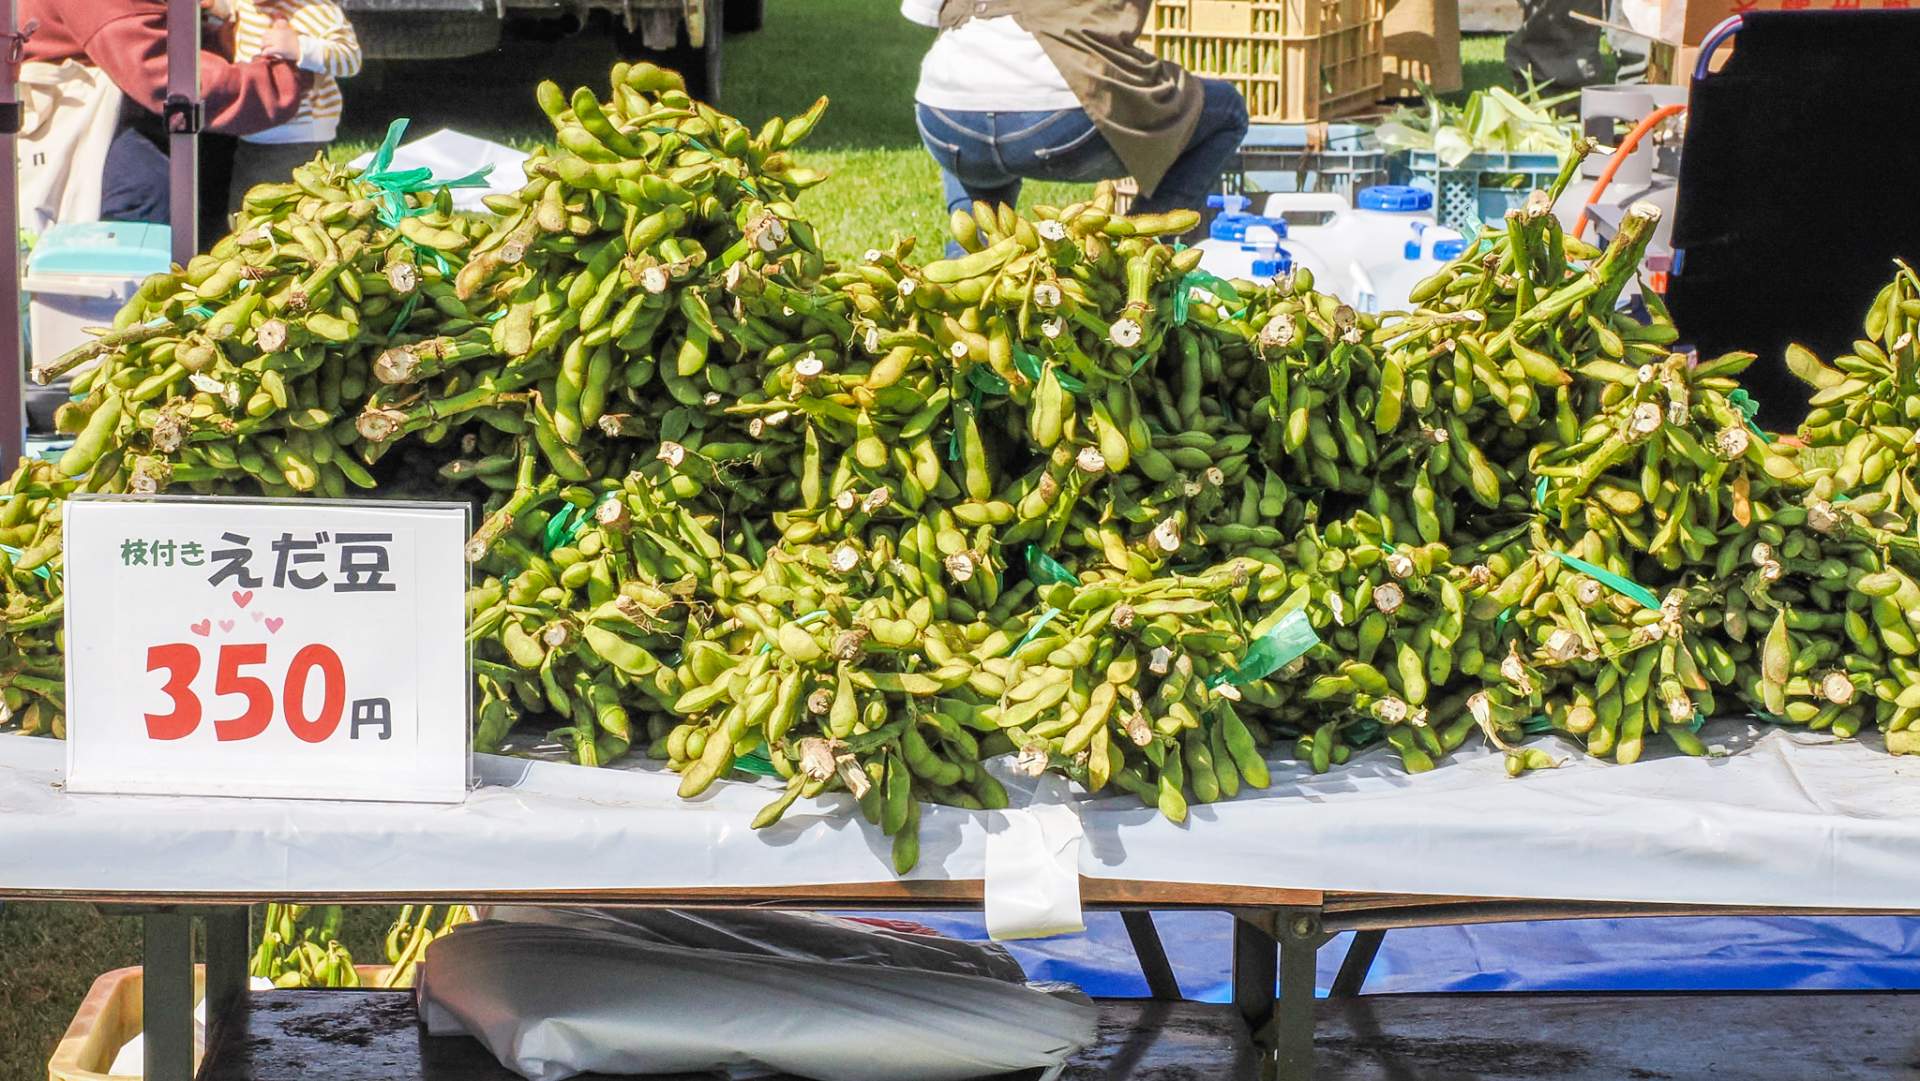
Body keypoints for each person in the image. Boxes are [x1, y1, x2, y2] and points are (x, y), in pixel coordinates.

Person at [906, 0, 1247, 251]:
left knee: (981, 230)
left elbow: (922, 14)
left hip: (945, 114)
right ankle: (1137, 250)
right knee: (1226, 110)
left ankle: (962, 285)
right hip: (1062, 109)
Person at [20, 0, 306, 230]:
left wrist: (227, 39)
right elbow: (172, 78)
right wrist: (284, 74)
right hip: (113, 143)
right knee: (146, 236)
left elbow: (161, 29)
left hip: (133, 123)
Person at [204, 0, 363, 213]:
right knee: (246, 208)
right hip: (253, 133)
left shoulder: (317, 10)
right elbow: (234, 10)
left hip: (296, 137)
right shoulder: (247, 3)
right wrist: (217, 7)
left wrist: (300, 48)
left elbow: (350, 58)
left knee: (286, 210)